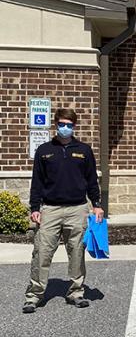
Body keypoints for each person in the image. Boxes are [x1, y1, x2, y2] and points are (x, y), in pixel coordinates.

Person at [23, 108, 104, 313]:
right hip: (50, 209)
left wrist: (97, 204)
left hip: (77, 209)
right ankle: (34, 295)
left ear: (74, 126)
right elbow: (37, 182)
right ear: (55, 124)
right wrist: (35, 208)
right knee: (41, 252)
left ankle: (76, 293)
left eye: (69, 124)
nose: (65, 128)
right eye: (61, 124)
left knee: (77, 252)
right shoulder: (44, 150)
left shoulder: (84, 150)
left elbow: (92, 181)